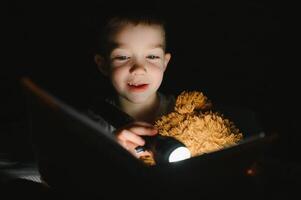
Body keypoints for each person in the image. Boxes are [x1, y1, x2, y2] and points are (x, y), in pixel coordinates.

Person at [89, 11, 175, 160]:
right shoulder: (92, 125)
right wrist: (109, 152)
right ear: (103, 65)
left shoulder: (184, 113)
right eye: (123, 57)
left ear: (164, 63)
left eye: (152, 56)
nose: (139, 69)